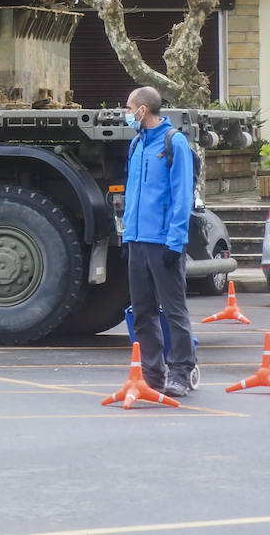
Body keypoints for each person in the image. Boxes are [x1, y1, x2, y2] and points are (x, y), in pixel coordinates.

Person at [122, 86, 197, 398]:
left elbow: (181, 196)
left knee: (175, 311)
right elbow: (132, 192)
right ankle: (153, 374)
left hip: (163, 242)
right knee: (143, 311)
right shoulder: (138, 143)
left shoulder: (174, 142)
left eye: (128, 107)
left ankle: (181, 370)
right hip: (137, 240)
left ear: (143, 110)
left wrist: (175, 241)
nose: (125, 113)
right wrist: (127, 233)